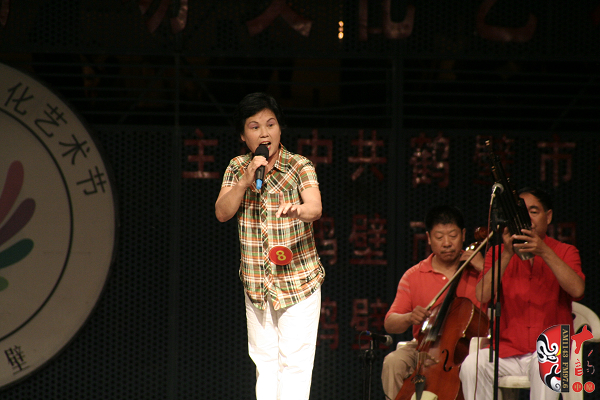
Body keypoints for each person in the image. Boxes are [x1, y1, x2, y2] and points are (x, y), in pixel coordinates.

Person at [215, 92, 325, 400]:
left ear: (280, 128)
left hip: (299, 282)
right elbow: (222, 212)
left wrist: (298, 210)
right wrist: (245, 181)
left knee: (294, 365)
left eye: (270, 124)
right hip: (257, 284)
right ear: (243, 135)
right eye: (254, 127)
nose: (264, 133)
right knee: (264, 364)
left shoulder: (299, 165)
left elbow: (315, 207)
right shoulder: (237, 167)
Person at [459, 187, 585, 400]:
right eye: (521, 214)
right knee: (472, 365)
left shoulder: (566, 251)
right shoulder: (497, 253)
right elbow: (482, 295)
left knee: (547, 361)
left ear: (548, 216)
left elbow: (578, 289)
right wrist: (508, 253)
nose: (527, 219)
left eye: (533, 212)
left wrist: (544, 251)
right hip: (507, 350)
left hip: (553, 347)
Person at [382, 205, 486, 400]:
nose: (446, 243)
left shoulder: (480, 270)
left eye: (453, 236)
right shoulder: (414, 275)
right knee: (394, 361)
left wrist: (484, 268)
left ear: (463, 235)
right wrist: (409, 317)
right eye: (439, 237)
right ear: (429, 238)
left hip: (472, 350)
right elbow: (390, 323)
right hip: (425, 349)